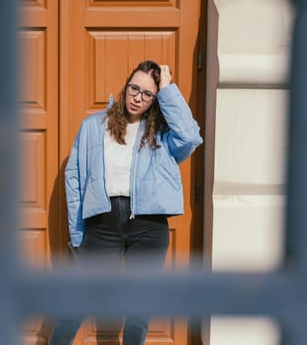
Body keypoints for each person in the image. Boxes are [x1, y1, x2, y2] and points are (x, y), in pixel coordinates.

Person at [48, 60, 203, 345]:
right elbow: (75, 183)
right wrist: (78, 235)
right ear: (126, 86)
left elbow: (191, 136)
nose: (138, 97)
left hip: (148, 227)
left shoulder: (161, 135)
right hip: (103, 224)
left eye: (148, 94)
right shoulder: (94, 127)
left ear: (155, 100)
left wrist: (168, 91)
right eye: (134, 88)